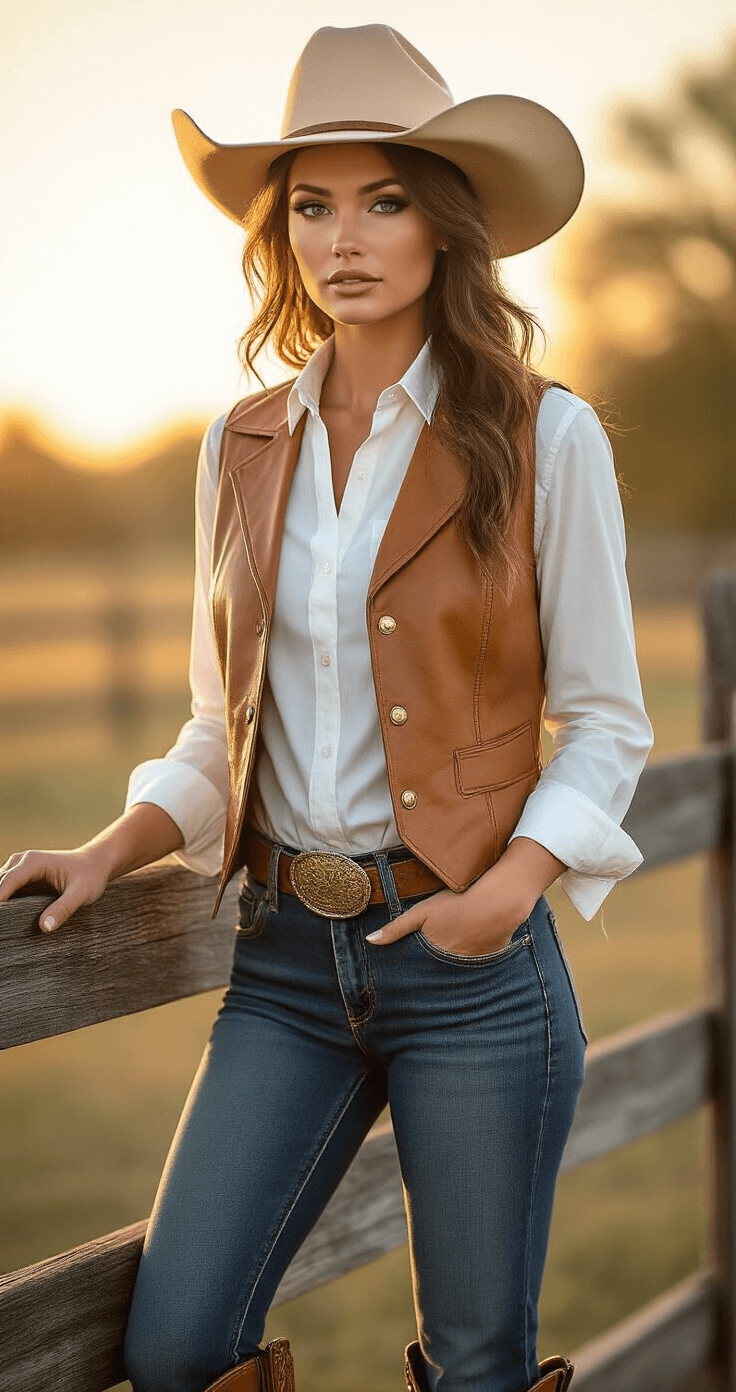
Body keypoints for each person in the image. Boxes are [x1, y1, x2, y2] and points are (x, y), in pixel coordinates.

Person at [0, 24, 654, 1392]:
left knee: (477, 1366)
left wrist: (509, 890)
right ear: (280, 231)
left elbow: (606, 723)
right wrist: (113, 845)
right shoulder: (238, 446)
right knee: (176, 1347)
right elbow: (216, 728)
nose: (342, 238)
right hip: (287, 967)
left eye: (383, 199)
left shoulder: (546, 435)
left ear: (446, 223)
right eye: (311, 205)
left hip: (475, 970)